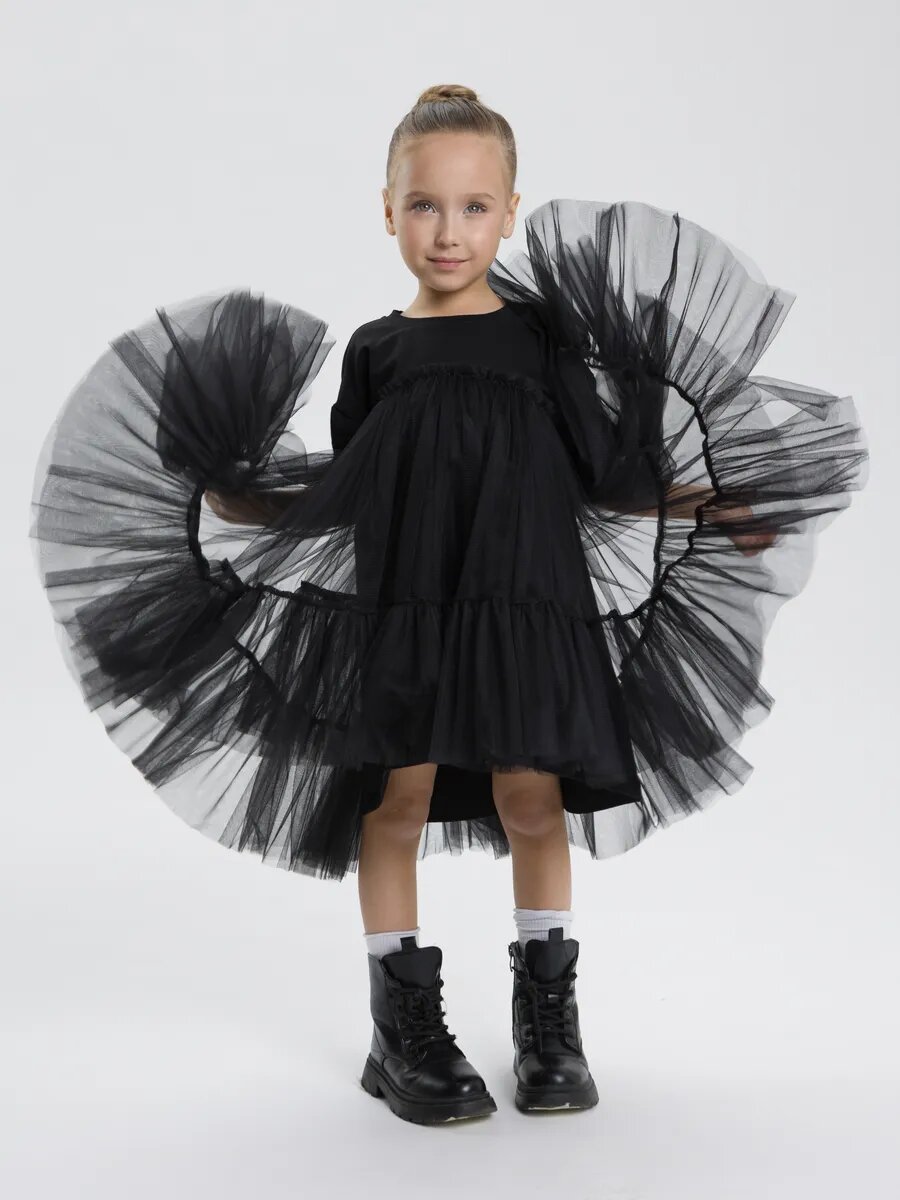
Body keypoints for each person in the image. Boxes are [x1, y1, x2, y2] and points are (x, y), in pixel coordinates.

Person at [30, 83, 869, 1126]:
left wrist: (709, 502)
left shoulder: (540, 339)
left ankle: (549, 1024)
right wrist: (242, 500)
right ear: (388, 210)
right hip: (409, 612)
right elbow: (354, 491)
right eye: (425, 205)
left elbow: (603, 474)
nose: (448, 231)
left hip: (527, 609)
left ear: (510, 212)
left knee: (534, 802)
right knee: (397, 806)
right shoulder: (376, 351)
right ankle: (402, 1030)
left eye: (474, 207)